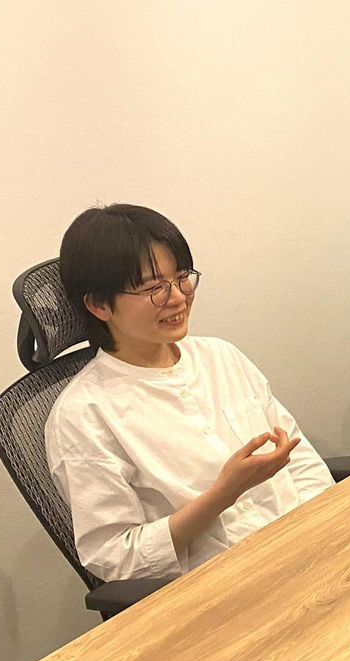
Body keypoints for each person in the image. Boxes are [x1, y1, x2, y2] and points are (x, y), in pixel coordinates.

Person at [45, 204, 333, 582]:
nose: (178, 298)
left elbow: (302, 461)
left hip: (312, 548)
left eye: (181, 278)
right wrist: (222, 495)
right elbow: (116, 559)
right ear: (99, 304)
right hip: (224, 586)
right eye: (154, 288)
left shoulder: (221, 356)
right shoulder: (84, 415)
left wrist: (329, 528)